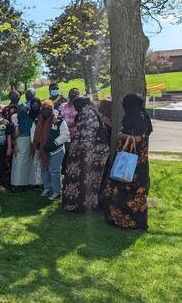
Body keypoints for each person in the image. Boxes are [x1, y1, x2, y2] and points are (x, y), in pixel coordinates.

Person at [103, 93, 153, 230]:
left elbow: (137, 138)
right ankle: (122, 219)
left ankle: (130, 221)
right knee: (123, 188)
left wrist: (121, 135)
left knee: (129, 189)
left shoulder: (139, 117)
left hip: (132, 161)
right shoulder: (141, 115)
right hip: (133, 160)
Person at [62, 97, 110, 212]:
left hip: (90, 153)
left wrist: (77, 148)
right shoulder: (93, 110)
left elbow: (87, 135)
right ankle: (88, 205)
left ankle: (79, 205)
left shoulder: (86, 112)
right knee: (92, 180)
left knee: (82, 178)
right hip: (97, 151)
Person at [31, 100, 70, 201]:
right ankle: (47, 188)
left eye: (49, 109)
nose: (46, 111)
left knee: (54, 171)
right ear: (41, 110)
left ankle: (56, 191)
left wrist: (54, 143)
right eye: (44, 109)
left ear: (52, 110)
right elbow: (33, 133)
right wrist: (37, 144)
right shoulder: (37, 121)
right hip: (43, 151)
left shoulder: (59, 120)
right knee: (44, 170)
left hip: (57, 150)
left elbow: (66, 135)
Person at [10, 95, 40, 191]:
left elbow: (32, 133)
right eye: (22, 109)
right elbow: (13, 133)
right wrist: (14, 144)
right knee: (18, 163)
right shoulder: (15, 118)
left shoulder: (30, 119)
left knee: (28, 163)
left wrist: (32, 146)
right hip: (18, 141)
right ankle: (17, 184)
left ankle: (27, 183)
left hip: (28, 141)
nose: (24, 110)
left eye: (25, 109)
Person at [58, 88, 79, 175]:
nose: (73, 94)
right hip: (63, 135)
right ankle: (63, 174)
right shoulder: (62, 105)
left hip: (74, 135)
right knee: (63, 155)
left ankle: (70, 173)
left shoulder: (79, 106)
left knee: (71, 156)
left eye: (75, 93)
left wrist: (72, 124)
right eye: (71, 93)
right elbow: (58, 117)